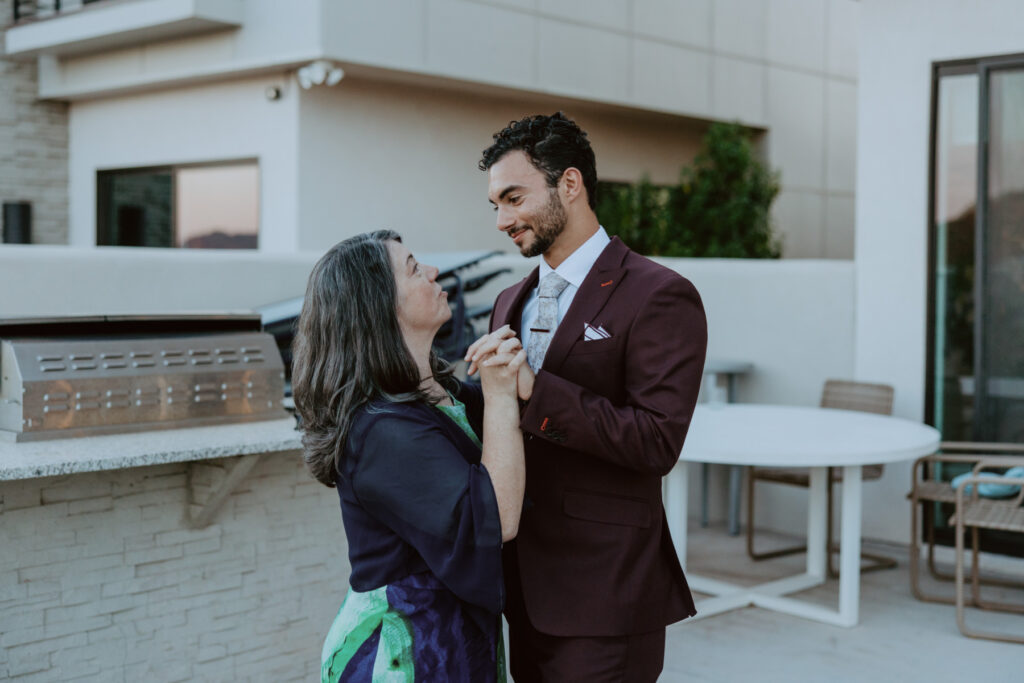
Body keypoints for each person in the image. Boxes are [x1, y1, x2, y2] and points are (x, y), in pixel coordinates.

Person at [466, 113, 708, 682]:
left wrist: (535, 387)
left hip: (608, 593)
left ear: (568, 184)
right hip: (522, 589)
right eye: (495, 205)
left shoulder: (660, 295)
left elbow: (656, 441)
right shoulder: (508, 301)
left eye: (514, 198)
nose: (502, 220)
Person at [292, 230, 528, 682]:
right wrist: (500, 397)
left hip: (450, 637)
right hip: (404, 651)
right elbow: (498, 516)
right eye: (415, 268)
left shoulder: (436, 396)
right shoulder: (380, 430)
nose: (435, 272)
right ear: (380, 306)